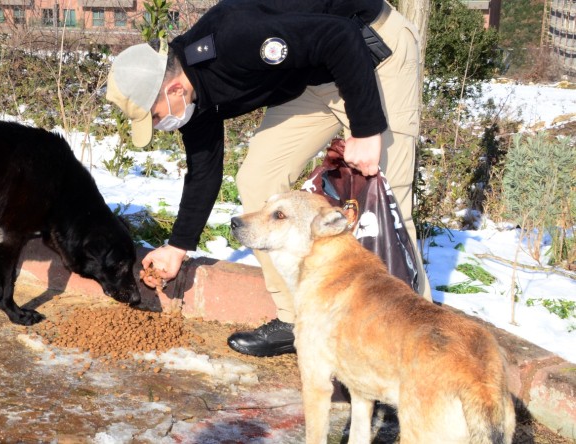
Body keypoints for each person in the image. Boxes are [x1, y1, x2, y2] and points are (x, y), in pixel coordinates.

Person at [106, 0, 432, 357]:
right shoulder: (193, 90)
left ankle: (412, 353)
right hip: (312, 75)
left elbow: (340, 36)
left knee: (388, 209)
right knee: (259, 180)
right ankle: (296, 321)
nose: (158, 127)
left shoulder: (235, 40)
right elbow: (204, 170)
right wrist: (178, 246)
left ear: (172, 91)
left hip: (372, 52)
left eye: (153, 117)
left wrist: (367, 130)